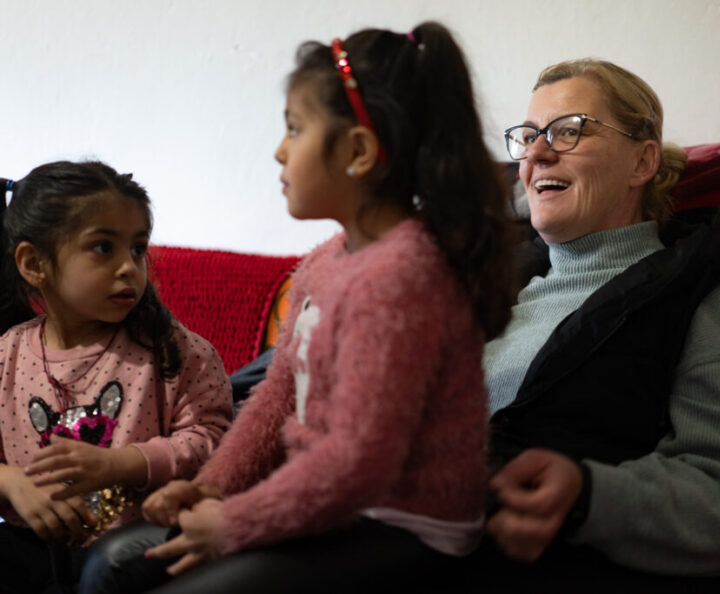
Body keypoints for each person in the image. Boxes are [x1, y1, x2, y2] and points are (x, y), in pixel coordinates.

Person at [122, 21, 514, 594]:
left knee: (143, 573)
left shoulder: (401, 278)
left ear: (357, 151)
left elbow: (358, 464)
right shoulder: (329, 259)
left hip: (405, 527)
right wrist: (212, 488)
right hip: (337, 502)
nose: (280, 150)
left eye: (296, 128)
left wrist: (231, 523)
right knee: (114, 559)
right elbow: (277, 395)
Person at [470, 59, 720, 591]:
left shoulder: (703, 296)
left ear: (642, 162)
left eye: (568, 131)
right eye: (527, 137)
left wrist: (589, 496)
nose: (536, 153)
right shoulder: (490, 291)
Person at [0, 161, 233, 594]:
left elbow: (214, 441)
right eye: (104, 248)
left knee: (109, 568)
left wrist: (119, 464)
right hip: (31, 546)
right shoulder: (6, 356)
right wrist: (9, 482)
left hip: (131, 547)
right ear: (34, 264)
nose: (129, 267)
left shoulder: (172, 350)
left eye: (138, 248)